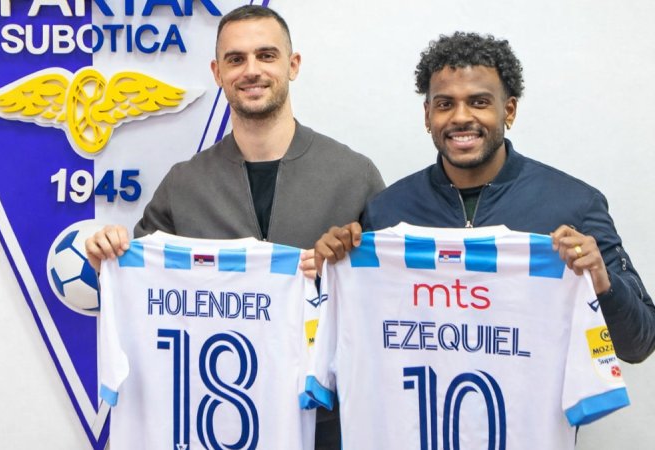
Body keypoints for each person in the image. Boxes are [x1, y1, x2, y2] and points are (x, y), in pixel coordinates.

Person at [86, 5, 384, 448]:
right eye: (236, 59)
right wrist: (107, 262)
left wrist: (338, 277)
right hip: (211, 426)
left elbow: (390, 303)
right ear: (217, 72)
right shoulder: (184, 185)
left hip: (327, 425)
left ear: (293, 65)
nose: (252, 70)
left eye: (266, 55)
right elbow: (142, 297)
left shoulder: (353, 177)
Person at [315, 31, 655, 364]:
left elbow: (639, 345)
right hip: (417, 401)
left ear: (509, 110)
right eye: (445, 104)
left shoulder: (575, 204)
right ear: (427, 115)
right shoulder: (386, 210)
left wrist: (603, 283)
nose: (461, 117)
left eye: (479, 102)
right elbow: (353, 334)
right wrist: (327, 272)